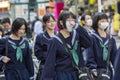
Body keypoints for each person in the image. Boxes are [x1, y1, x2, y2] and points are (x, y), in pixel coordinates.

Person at [41, 11, 92, 80]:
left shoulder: (76, 35)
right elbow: (49, 63)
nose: (71, 22)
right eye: (68, 20)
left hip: (79, 74)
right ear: (61, 22)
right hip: (63, 75)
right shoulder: (54, 41)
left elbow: (88, 43)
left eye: (73, 20)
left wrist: (77, 27)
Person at [86, 12, 117, 79]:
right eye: (102, 21)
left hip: (107, 71)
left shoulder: (111, 39)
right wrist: (93, 68)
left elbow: (114, 57)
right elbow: (89, 55)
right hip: (96, 72)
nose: (104, 23)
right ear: (96, 22)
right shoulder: (91, 37)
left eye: (106, 21)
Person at [34, 13, 57, 80]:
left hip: (58, 67)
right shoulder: (40, 37)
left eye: (53, 21)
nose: (52, 23)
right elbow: (37, 53)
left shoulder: (59, 35)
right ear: (44, 23)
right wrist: (51, 56)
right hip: (45, 67)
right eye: (49, 22)